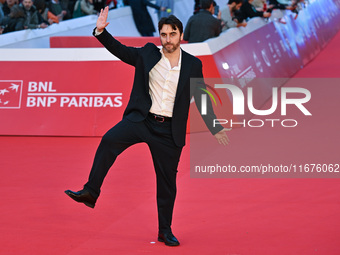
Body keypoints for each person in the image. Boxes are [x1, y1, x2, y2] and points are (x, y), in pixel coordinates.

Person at [65, 7, 229, 247]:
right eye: (164, 34)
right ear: (160, 36)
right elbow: (120, 51)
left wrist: (215, 126)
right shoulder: (148, 54)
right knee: (109, 140)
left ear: (180, 35)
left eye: (172, 34)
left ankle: (165, 231)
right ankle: (90, 191)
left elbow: (201, 96)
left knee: (166, 184)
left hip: (169, 131)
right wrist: (100, 31)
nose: (168, 39)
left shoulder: (193, 65)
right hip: (141, 120)